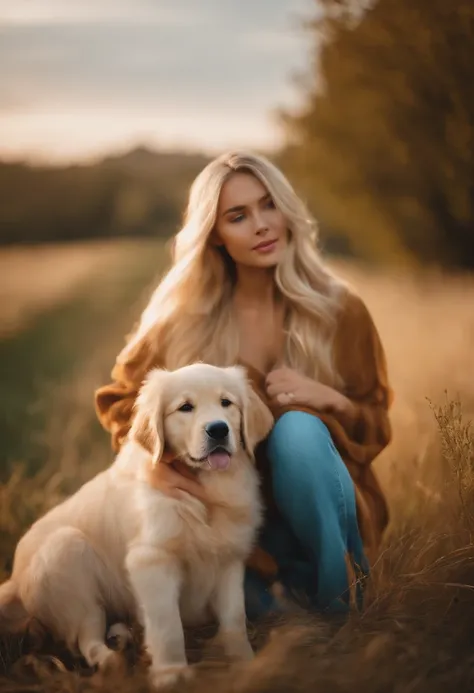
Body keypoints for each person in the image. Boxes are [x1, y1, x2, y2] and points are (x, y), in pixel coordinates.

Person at [95, 151, 393, 619]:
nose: (261, 225)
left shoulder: (339, 310)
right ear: (214, 233)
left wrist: (331, 400)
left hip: (320, 512)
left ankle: (341, 596)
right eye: (238, 215)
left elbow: (376, 422)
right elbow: (121, 400)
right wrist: (151, 466)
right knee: (266, 620)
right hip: (230, 520)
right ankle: (277, 598)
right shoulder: (181, 320)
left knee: (297, 431)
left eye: (269, 205)